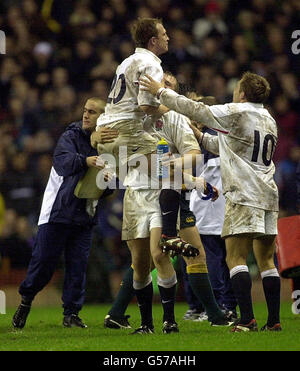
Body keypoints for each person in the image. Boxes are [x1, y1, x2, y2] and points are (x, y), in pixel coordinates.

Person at [139, 71, 281, 332]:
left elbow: (196, 108)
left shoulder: (237, 111)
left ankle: (247, 319)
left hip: (244, 193)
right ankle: (274, 321)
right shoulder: (268, 119)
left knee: (235, 257)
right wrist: (200, 136)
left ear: (242, 93)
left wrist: (160, 91)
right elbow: (234, 146)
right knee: (267, 261)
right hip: (269, 193)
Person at [104, 74, 233, 334]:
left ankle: (190, 316)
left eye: (166, 86)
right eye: (156, 84)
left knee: (165, 255)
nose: (159, 89)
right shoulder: (131, 116)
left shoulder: (175, 119)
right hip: (142, 193)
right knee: (143, 261)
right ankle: (123, 314)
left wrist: (190, 178)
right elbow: (111, 144)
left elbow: (189, 156)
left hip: (169, 194)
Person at [89, 17, 198, 257]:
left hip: (108, 137)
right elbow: (147, 106)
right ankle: (169, 235)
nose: (168, 37)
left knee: (157, 173)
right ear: (153, 40)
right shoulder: (152, 63)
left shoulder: (125, 62)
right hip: (127, 133)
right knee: (170, 167)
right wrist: (174, 107)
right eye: (164, 34)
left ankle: (162, 232)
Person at [12, 98, 117, 329]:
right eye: (85, 110)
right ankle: (26, 300)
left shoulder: (109, 145)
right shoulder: (69, 137)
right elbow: (63, 163)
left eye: (92, 112)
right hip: (57, 211)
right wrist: (87, 159)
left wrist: (110, 182)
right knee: (44, 265)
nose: (86, 115)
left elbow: (107, 189)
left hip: (85, 214)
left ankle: (71, 314)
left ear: (103, 117)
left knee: (78, 266)